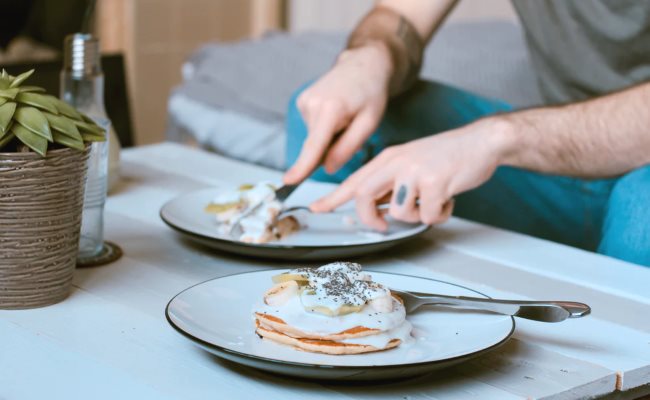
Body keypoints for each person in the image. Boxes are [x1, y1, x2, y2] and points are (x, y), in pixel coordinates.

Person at [283, 0, 650, 266]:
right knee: (329, 115)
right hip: (556, 170)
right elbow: (400, 14)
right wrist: (370, 56)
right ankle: (333, 315)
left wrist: (496, 139)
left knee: (641, 213)